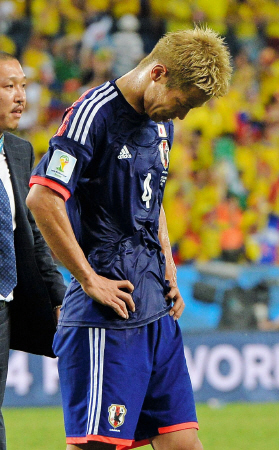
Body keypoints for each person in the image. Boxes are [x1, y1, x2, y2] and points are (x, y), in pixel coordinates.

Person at [26, 27, 232, 450]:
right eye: (184, 103)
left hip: (155, 309)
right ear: (158, 73)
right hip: (107, 314)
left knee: (185, 444)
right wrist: (88, 278)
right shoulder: (94, 114)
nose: (182, 116)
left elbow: (151, 201)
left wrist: (168, 266)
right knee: (97, 447)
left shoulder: (160, 125)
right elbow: (43, 197)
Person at [0, 51, 66, 449]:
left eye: (23, 86)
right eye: (9, 86)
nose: (20, 96)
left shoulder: (20, 151)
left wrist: (57, 296)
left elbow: (31, 233)